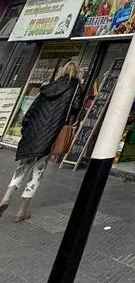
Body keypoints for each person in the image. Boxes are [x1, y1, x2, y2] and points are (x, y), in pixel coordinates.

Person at [0, 60, 81, 223]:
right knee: (38, 170)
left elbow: (31, 110)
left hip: (34, 132)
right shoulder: (75, 88)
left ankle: (6, 197)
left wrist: (26, 129)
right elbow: (75, 108)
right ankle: (22, 210)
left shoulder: (48, 87)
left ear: (62, 71)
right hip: (51, 133)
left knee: (23, 165)